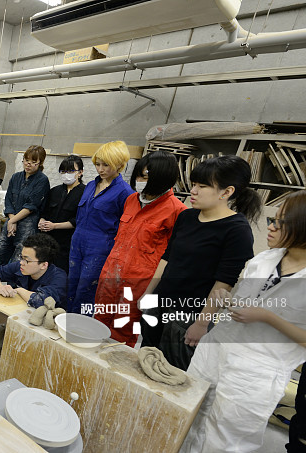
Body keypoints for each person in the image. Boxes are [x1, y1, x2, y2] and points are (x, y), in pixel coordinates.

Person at [180, 190, 306, 453]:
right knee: (189, 416)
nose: (270, 227)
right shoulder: (264, 260)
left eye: (280, 223)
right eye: (274, 219)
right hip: (217, 348)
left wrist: (266, 317)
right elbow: (245, 299)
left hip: (257, 369)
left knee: (225, 440)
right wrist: (225, 298)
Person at [140, 155, 260, 370]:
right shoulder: (187, 217)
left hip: (188, 315)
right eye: (194, 184)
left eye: (202, 186)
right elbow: (167, 258)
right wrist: (149, 294)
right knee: (146, 359)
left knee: (170, 371)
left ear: (227, 192)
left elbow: (223, 283)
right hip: (160, 304)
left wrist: (201, 323)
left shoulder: (237, 230)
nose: (193, 191)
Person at [92, 151, 186, 347]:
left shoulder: (177, 211)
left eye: (145, 177)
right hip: (111, 274)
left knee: (123, 331)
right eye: (138, 175)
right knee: (98, 323)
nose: (139, 181)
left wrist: (151, 292)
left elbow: (171, 258)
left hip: (139, 283)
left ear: (162, 178)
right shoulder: (131, 200)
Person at [67, 141, 133, 314]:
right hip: (77, 241)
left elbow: (126, 228)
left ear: (119, 164)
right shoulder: (90, 186)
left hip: (100, 247)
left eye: (106, 165)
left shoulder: (125, 192)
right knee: (72, 284)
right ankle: (66, 321)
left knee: (86, 289)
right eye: (98, 164)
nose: (100, 169)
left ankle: (80, 328)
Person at [0, 145, 50, 265]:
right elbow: (8, 200)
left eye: (33, 162)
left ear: (40, 163)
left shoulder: (42, 180)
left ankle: (13, 283)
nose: (28, 164)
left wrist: (12, 221)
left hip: (28, 224)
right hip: (11, 220)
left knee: (20, 259)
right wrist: (11, 220)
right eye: (26, 160)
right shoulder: (16, 177)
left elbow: (31, 206)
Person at [0, 233, 66, 308]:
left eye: (27, 260)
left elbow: (41, 300)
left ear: (44, 265)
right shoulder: (21, 266)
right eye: (21, 257)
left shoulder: (59, 278)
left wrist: (18, 290)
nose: (21, 262)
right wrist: (0, 287)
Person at [39, 155, 86, 272]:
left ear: (80, 172)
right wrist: (42, 221)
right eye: (63, 171)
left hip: (68, 242)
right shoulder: (55, 191)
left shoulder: (85, 193)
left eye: (70, 171)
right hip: (49, 240)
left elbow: (78, 220)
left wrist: (55, 226)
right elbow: (44, 211)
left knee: (61, 272)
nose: (66, 174)